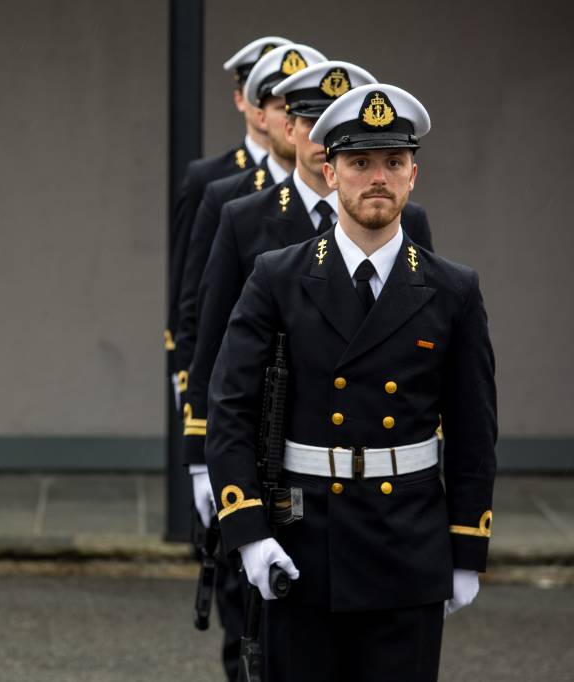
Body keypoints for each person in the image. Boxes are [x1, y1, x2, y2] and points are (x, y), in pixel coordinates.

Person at [204, 83, 496, 682]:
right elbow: (231, 408)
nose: (378, 178)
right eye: (360, 163)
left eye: (393, 162)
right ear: (330, 171)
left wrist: (467, 549)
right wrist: (250, 533)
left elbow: (474, 431)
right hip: (304, 545)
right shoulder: (277, 277)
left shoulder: (452, 289)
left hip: (407, 548)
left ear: (414, 175)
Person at [173, 43, 326, 407]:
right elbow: (198, 300)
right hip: (257, 389)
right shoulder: (224, 196)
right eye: (283, 109)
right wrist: (190, 384)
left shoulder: (356, 204)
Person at [167, 35, 290, 387]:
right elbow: (191, 282)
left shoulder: (322, 181)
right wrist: (183, 358)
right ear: (245, 100)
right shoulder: (211, 180)